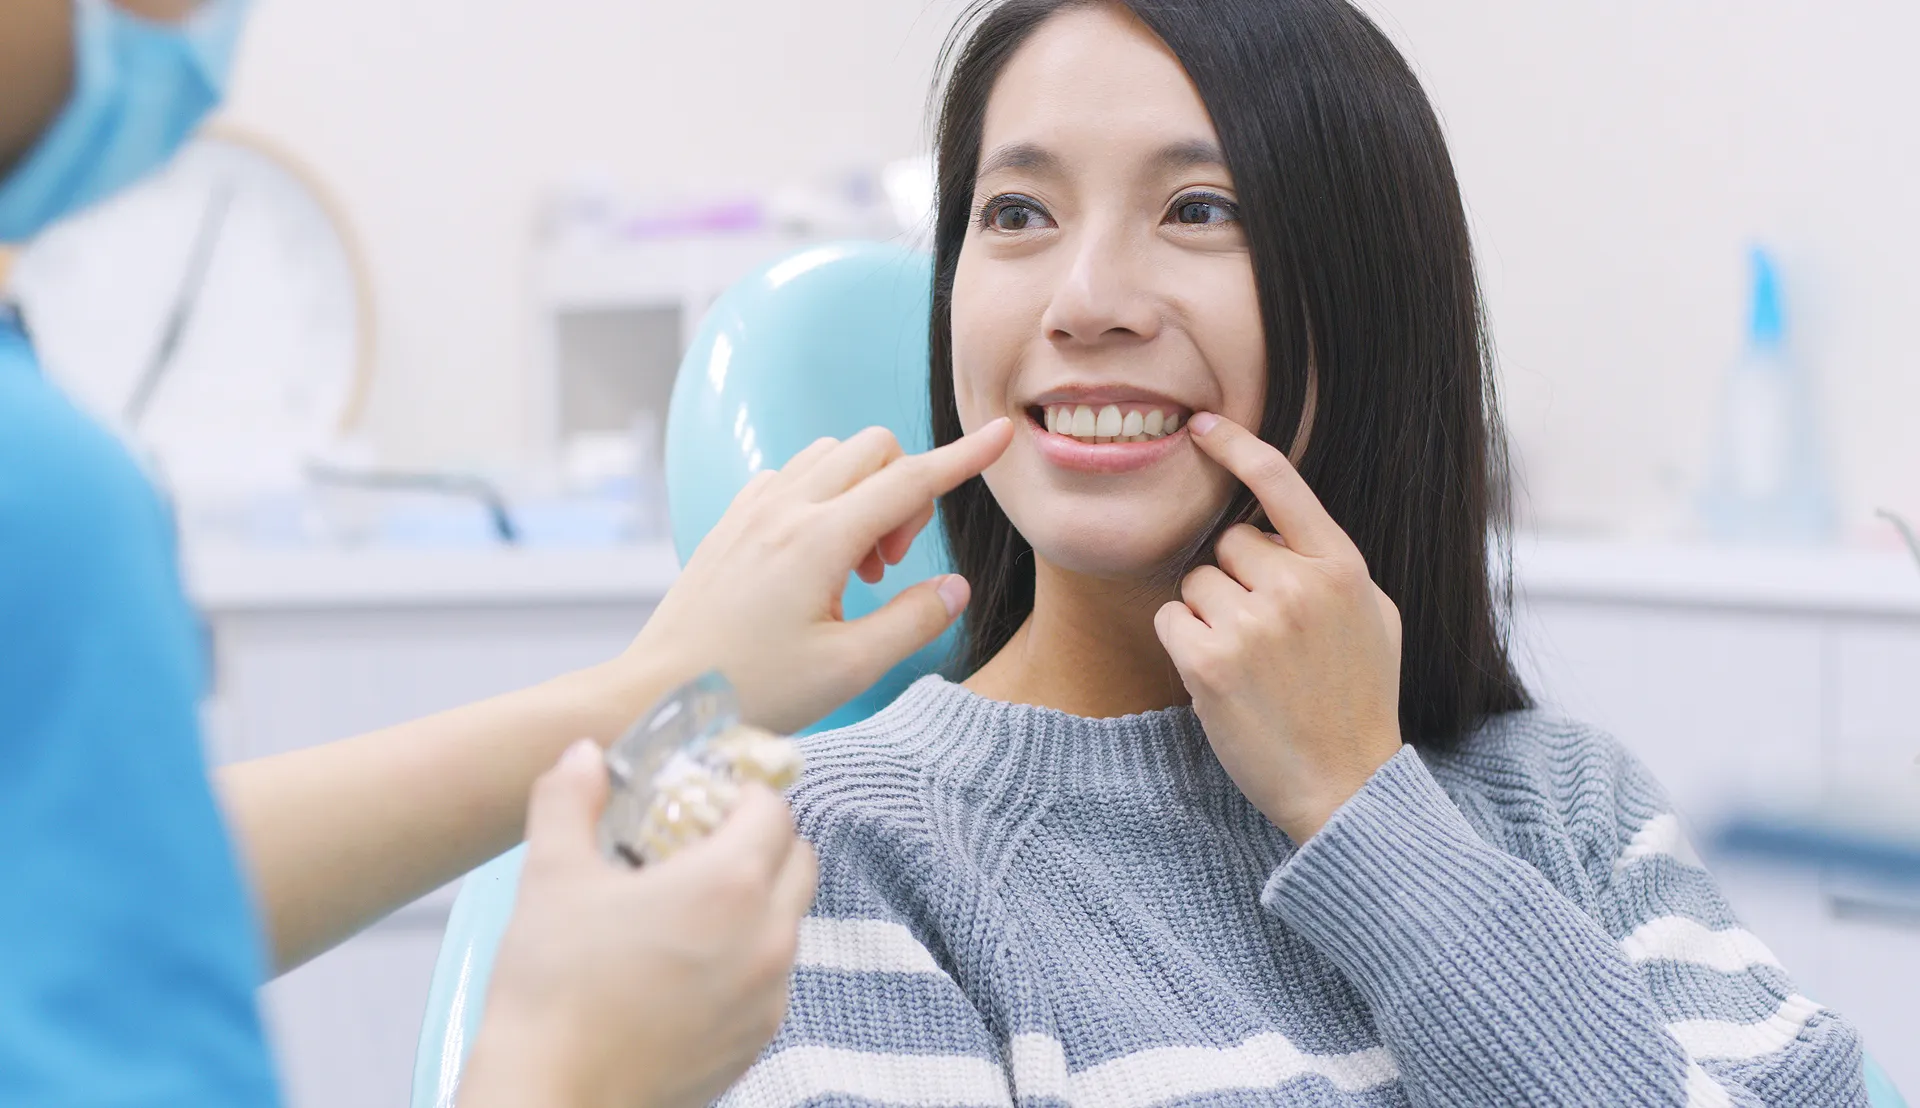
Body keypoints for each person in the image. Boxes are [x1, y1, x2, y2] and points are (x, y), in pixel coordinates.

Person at [720, 1, 1870, 1105]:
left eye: (1199, 208)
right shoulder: (831, 851)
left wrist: (1367, 816)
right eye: (1019, 212)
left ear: (1370, 293)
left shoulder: (1567, 804)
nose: (1086, 302)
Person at [0, 0, 1017, 1104]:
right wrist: (568, 1069)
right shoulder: (47, 502)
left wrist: (654, 691)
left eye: (1196, 210)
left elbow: (102, 883)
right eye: (1017, 212)